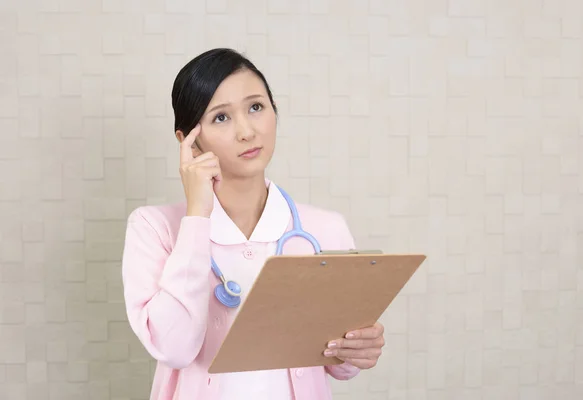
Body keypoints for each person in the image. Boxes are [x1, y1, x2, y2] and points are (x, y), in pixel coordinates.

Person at [121, 48, 386, 400]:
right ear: (189, 141)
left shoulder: (325, 228)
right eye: (220, 118)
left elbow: (338, 364)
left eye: (256, 107)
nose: (246, 131)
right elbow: (175, 348)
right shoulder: (154, 229)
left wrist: (357, 349)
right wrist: (198, 214)